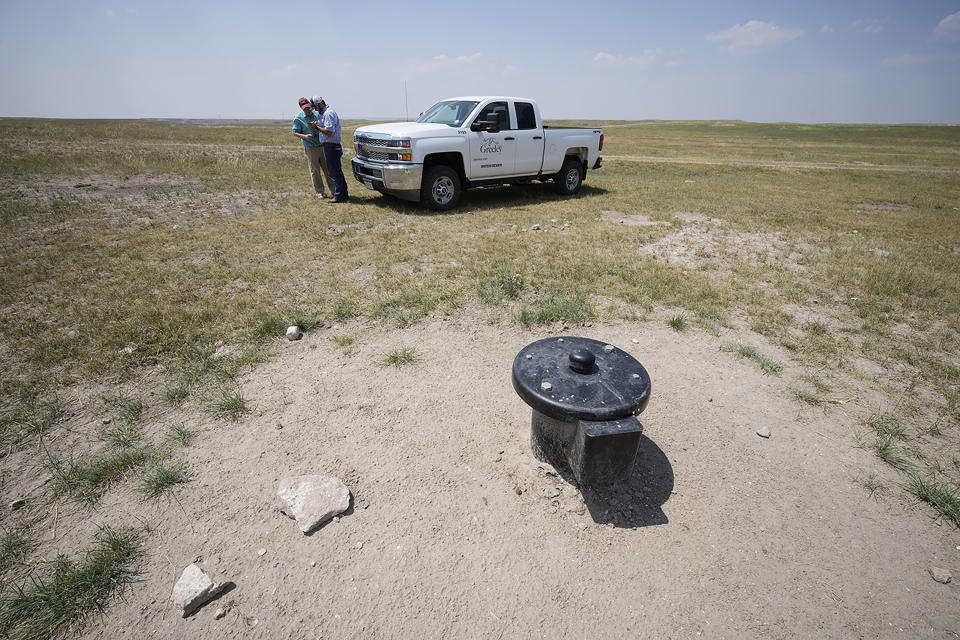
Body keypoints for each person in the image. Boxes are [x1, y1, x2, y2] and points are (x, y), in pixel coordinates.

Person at [291, 97, 334, 199]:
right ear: (301, 108)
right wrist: (305, 137)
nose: (308, 110)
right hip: (310, 147)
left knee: (328, 169)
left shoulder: (317, 113)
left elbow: (324, 125)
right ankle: (320, 192)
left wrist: (319, 128)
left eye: (309, 108)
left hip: (322, 145)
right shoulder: (298, 118)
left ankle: (334, 191)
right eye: (305, 109)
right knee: (315, 170)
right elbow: (295, 132)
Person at [312, 96, 349, 203]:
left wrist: (317, 128)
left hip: (331, 146)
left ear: (319, 104)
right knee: (336, 171)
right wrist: (319, 125)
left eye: (315, 107)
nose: (315, 109)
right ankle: (343, 195)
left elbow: (329, 132)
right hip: (330, 146)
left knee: (334, 172)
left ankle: (339, 196)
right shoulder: (325, 113)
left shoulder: (328, 113)